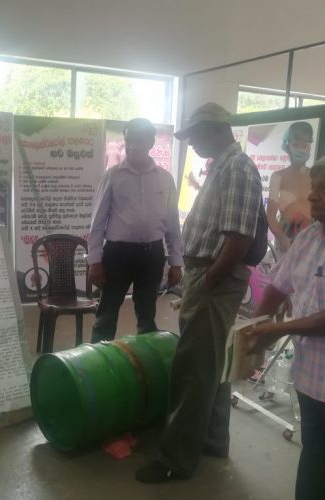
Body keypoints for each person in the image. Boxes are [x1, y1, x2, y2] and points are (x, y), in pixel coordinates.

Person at [136, 103, 263, 483]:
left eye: (193, 136)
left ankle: (176, 458)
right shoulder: (222, 166)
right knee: (210, 365)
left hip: (215, 280)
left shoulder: (237, 169)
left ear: (213, 130)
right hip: (209, 276)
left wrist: (207, 281)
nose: (190, 143)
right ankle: (212, 439)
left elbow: (238, 239)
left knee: (192, 368)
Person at [247, 157, 325, 500]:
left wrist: (279, 330)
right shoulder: (310, 237)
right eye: (314, 188)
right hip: (311, 376)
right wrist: (255, 329)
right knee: (315, 454)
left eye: (323, 190)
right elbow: (278, 286)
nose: (313, 196)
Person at [87, 118, 183, 343]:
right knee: (106, 314)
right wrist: (94, 261)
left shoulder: (165, 179)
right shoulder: (112, 176)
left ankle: (145, 359)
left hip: (152, 255)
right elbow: (97, 222)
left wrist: (176, 263)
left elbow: (172, 223)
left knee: (147, 315)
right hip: (117, 255)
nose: (132, 146)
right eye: (129, 140)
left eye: (139, 141)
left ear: (151, 143)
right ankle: (97, 359)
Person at [267, 121, 313, 255]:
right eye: (296, 145)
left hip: (311, 238)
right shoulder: (278, 177)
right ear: (288, 146)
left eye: (304, 145)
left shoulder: (316, 176)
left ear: (309, 148)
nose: (300, 149)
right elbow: (270, 215)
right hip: (285, 238)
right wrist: (282, 238)